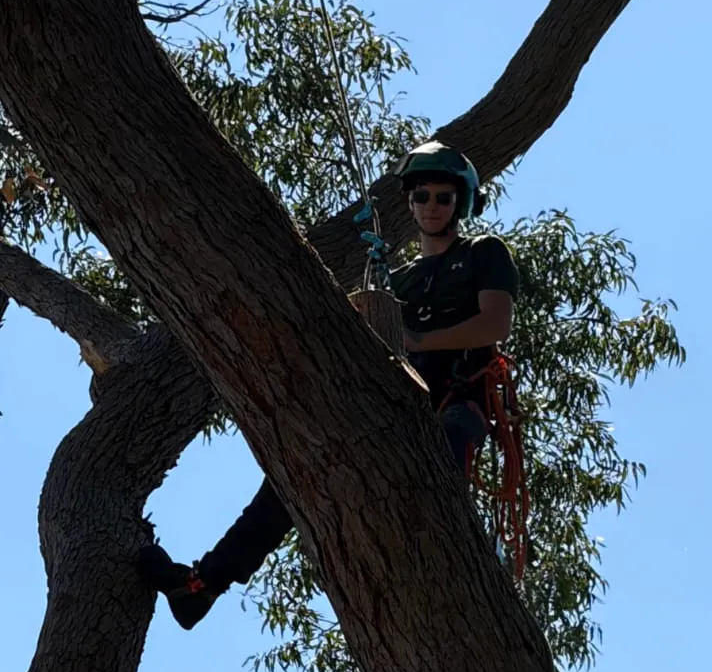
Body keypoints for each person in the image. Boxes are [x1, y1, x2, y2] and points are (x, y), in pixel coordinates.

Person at [137, 141, 520, 629]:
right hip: (393, 403)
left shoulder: (483, 254)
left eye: (442, 198)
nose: (430, 207)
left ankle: (461, 579)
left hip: (456, 398)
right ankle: (204, 584)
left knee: (446, 456)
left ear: (460, 204)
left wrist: (422, 336)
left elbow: (494, 324)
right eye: (421, 196)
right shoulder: (396, 281)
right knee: (293, 469)